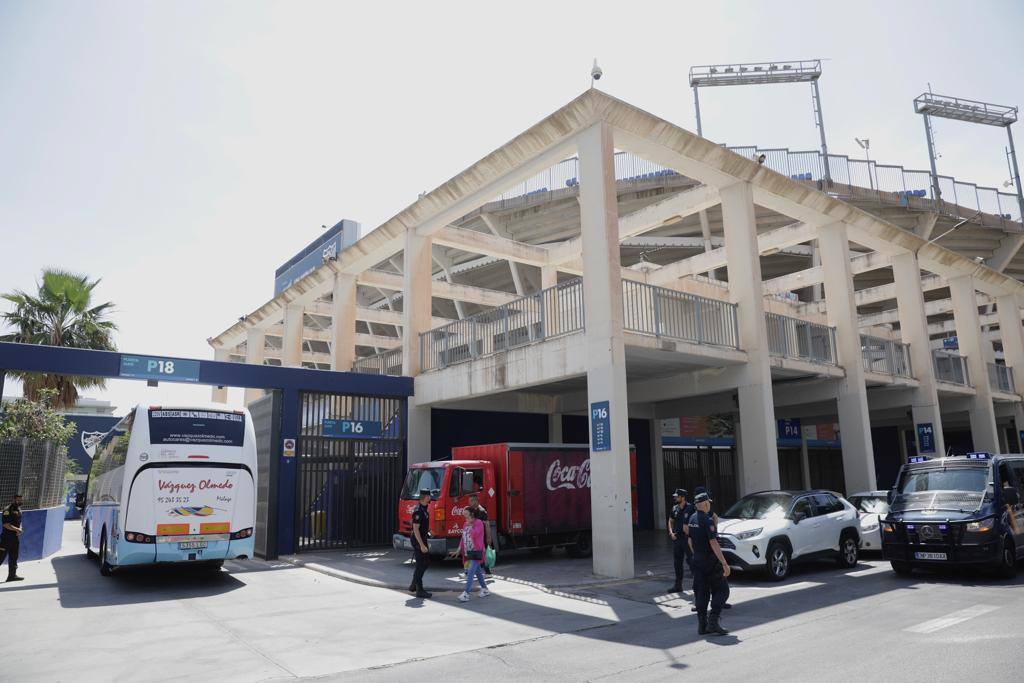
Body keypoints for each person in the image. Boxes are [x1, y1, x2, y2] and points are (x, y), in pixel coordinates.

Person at [688, 491, 731, 636]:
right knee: (723, 590)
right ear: (705, 503)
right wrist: (724, 563)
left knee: (702, 592)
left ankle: (702, 626)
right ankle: (713, 622)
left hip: (697, 561)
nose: (709, 505)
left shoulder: (692, 518)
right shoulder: (707, 520)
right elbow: (713, 542)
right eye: (709, 503)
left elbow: (690, 541)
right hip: (710, 562)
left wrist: (696, 555)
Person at [452, 507, 490, 602]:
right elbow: (463, 537)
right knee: (477, 572)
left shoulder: (479, 523)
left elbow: (475, 534)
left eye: (466, 514)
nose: (464, 516)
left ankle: (466, 594)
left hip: (477, 551)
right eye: (464, 514)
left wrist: (471, 525)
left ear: (472, 514)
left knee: (470, 572)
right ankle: (485, 589)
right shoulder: (466, 524)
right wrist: (458, 549)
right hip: (469, 552)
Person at [666, 488, 694, 594]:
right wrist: (671, 532)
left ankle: (698, 585)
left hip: (687, 538)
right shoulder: (675, 508)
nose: (675, 498)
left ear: (683, 497)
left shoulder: (691, 508)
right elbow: (670, 520)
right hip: (677, 539)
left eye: (677, 496)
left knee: (692, 561)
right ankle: (678, 585)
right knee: (677, 563)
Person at [408, 489, 432, 599]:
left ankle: (414, 584)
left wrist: (428, 531)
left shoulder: (424, 509)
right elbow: (416, 529)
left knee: (423, 563)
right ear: (425, 497)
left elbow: (422, 526)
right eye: (429, 496)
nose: (430, 497)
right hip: (418, 540)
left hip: (422, 538)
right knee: (422, 563)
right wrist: (422, 545)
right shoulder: (418, 511)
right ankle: (419, 589)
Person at [467, 493, 494, 575]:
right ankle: (476, 571)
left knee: (484, 554)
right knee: (477, 554)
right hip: (475, 537)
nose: (470, 503)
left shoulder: (482, 511)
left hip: (482, 537)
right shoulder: (471, 511)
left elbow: (487, 525)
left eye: (471, 501)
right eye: (469, 501)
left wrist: (489, 538)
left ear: (476, 501)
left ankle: (487, 571)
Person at [0, 494, 24, 582]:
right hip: (6, 538)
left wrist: (20, 529)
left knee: (14, 557)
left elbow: (20, 522)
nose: (20, 501)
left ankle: (12, 576)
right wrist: (17, 529)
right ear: (13, 500)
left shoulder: (19, 509)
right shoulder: (7, 510)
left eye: (21, 500)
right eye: (18, 500)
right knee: (1, 557)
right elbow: (6, 524)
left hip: (15, 538)